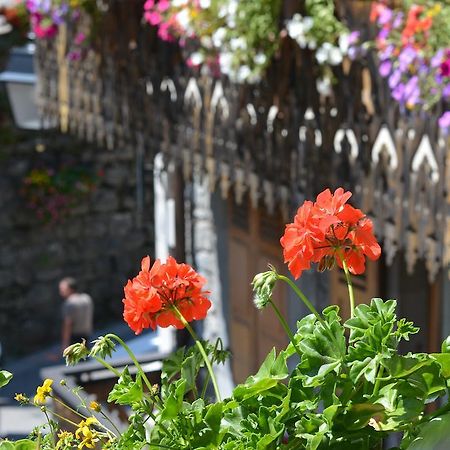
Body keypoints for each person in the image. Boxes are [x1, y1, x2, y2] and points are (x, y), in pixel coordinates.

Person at [59, 277, 94, 352]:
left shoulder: (69, 303)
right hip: (87, 333)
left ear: (70, 289)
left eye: (63, 288)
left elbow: (68, 323)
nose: (61, 291)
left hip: (74, 337)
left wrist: (65, 343)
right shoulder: (86, 298)